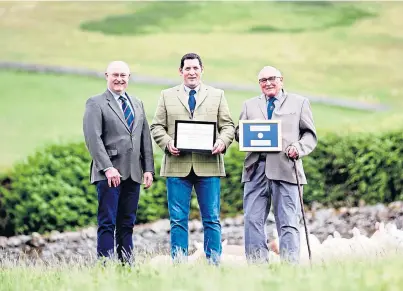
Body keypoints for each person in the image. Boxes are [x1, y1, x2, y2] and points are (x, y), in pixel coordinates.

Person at [150, 53, 235, 264]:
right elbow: (157, 127)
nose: (192, 72)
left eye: (195, 68)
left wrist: (222, 142)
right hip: (177, 166)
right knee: (178, 220)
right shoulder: (166, 95)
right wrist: (168, 142)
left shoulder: (217, 95)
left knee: (212, 219)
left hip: (209, 166)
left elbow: (228, 126)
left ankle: (213, 263)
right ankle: (179, 264)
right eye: (187, 68)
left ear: (202, 69)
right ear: (181, 71)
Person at [235, 66, 317, 264]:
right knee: (252, 220)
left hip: (287, 168)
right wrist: (244, 135)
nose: (268, 83)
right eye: (263, 80)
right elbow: (239, 133)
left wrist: (298, 147)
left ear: (282, 80)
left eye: (272, 78)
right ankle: (257, 266)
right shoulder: (249, 105)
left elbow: (310, 135)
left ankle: (290, 268)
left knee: (288, 221)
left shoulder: (299, 103)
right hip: (256, 169)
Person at [83, 61, 154, 264]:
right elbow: (93, 139)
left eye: (123, 75)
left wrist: (148, 168)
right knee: (107, 223)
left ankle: (127, 265)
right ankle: (105, 265)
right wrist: (107, 168)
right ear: (107, 75)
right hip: (109, 174)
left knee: (127, 223)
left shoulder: (137, 103)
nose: (119, 79)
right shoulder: (95, 103)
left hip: (133, 173)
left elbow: (144, 138)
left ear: (129, 78)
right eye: (115, 75)